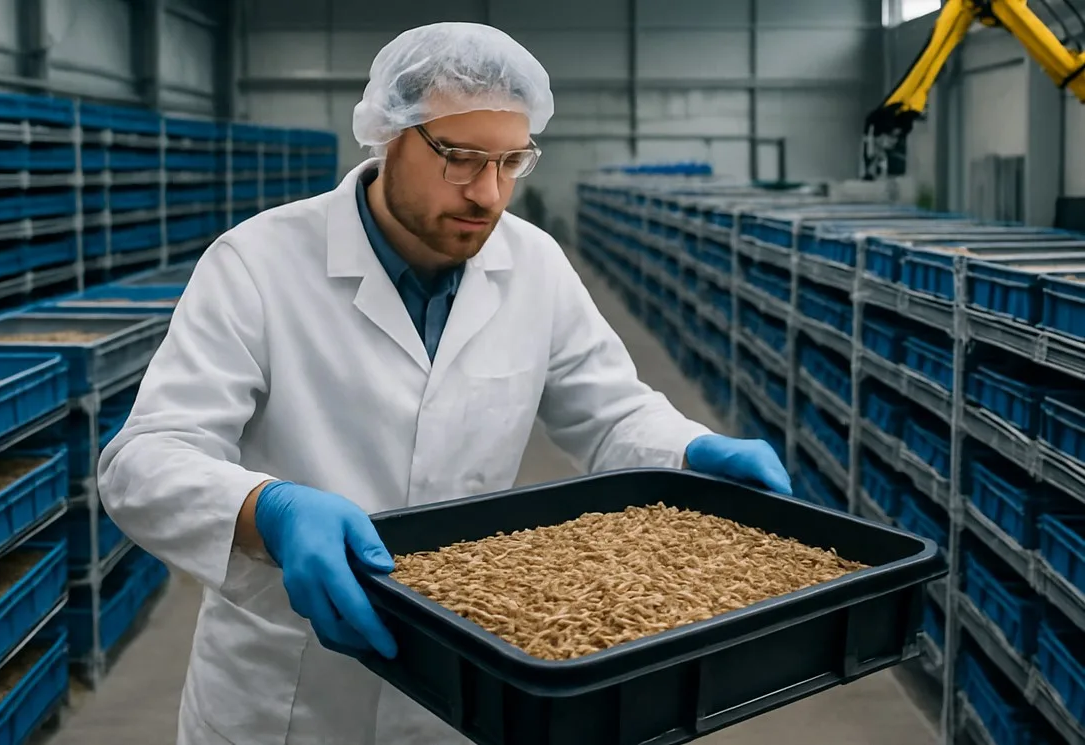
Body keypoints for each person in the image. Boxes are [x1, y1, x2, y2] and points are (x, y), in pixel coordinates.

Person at [98, 21, 791, 745]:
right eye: (460, 158)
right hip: (287, 685)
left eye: (510, 162)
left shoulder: (536, 265)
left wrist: (689, 451)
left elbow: (609, 413)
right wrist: (265, 507)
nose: (488, 194)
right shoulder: (257, 264)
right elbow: (143, 460)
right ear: (389, 134)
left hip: (464, 674)